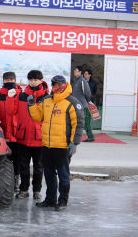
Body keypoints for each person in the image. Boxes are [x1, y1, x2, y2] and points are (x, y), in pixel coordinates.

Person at [28, 75, 84, 211]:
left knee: (63, 175)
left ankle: (62, 202)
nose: (56, 87)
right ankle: (50, 200)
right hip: (47, 145)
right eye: (54, 84)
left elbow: (78, 124)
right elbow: (38, 117)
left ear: (64, 85)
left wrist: (74, 143)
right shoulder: (47, 100)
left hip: (63, 146)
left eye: (59, 84)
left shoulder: (72, 102)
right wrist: (31, 105)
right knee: (48, 173)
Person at [15, 70, 49, 200]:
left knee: (38, 167)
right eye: (31, 79)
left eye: (35, 80)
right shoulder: (22, 95)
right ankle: (23, 190)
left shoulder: (47, 97)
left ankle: (37, 190)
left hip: (39, 137)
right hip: (23, 136)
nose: (33, 82)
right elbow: (13, 111)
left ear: (41, 80)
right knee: (23, 166)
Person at [0, 71, 22, 192]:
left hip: (17, 133)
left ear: (15, 80)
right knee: (2, 159)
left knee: (17, 159)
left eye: (12, 80)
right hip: (3, 132)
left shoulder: (20, 95)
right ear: (3, 81)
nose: (9, 82)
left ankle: (16, 181)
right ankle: (0, 181)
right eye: (7, 80)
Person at [72, 65, 93, 142]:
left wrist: (85, 101)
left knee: (86, 122)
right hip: (76, 105)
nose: (74, 72)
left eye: (76, 71)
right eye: (74, 71)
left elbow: (87, 93)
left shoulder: (82, 81)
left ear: (80, 72)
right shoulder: (76, 81)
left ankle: (90, 137)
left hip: (83, 105)